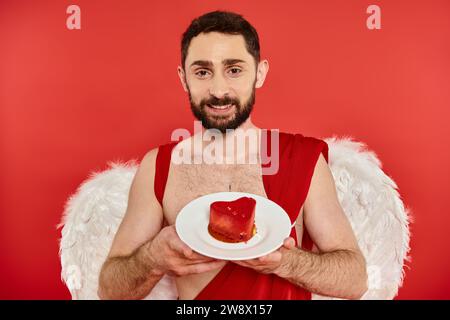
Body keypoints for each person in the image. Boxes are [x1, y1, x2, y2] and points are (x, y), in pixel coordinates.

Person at [98, 10, 368, 300]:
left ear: (260, 73)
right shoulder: (158, 166)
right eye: (202, 72)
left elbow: (355, 280)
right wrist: (152, 258)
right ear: (183, 78)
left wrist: (286, 262)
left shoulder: (303, 159)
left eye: (234, 70)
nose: (218, 90)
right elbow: (110, 289)